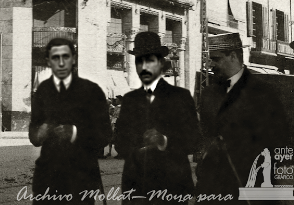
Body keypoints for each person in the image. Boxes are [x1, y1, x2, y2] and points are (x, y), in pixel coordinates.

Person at [196, 33, 290, 204]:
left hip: (252, 186)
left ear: (233, 56)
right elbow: (205, 136)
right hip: (215, 189)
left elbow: (280, 141)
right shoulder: (208, 95)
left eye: (216, 59)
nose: (211, 64)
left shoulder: (264, 93)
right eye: (210, 59)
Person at [116, 31, 200, 204]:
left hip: (172, 189)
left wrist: (163, 140)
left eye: (150, 60)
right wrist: (138, 145)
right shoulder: (130, 100)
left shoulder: (181, 97)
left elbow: (195, 141)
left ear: (161, 63)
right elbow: (118, 141)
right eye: (140, 60)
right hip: (137, 188)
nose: (144, 66)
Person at [29, 38, 112, 204]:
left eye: (65, 57)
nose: (60, 63)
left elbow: (106, 135)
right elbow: (34, 136)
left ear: (74, 59)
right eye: (55, 58)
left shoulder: (91, 91)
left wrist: (74, 133)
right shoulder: (43, 91)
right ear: (48, 62)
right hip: (47, 179)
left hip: (80, 179)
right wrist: (40, 132)